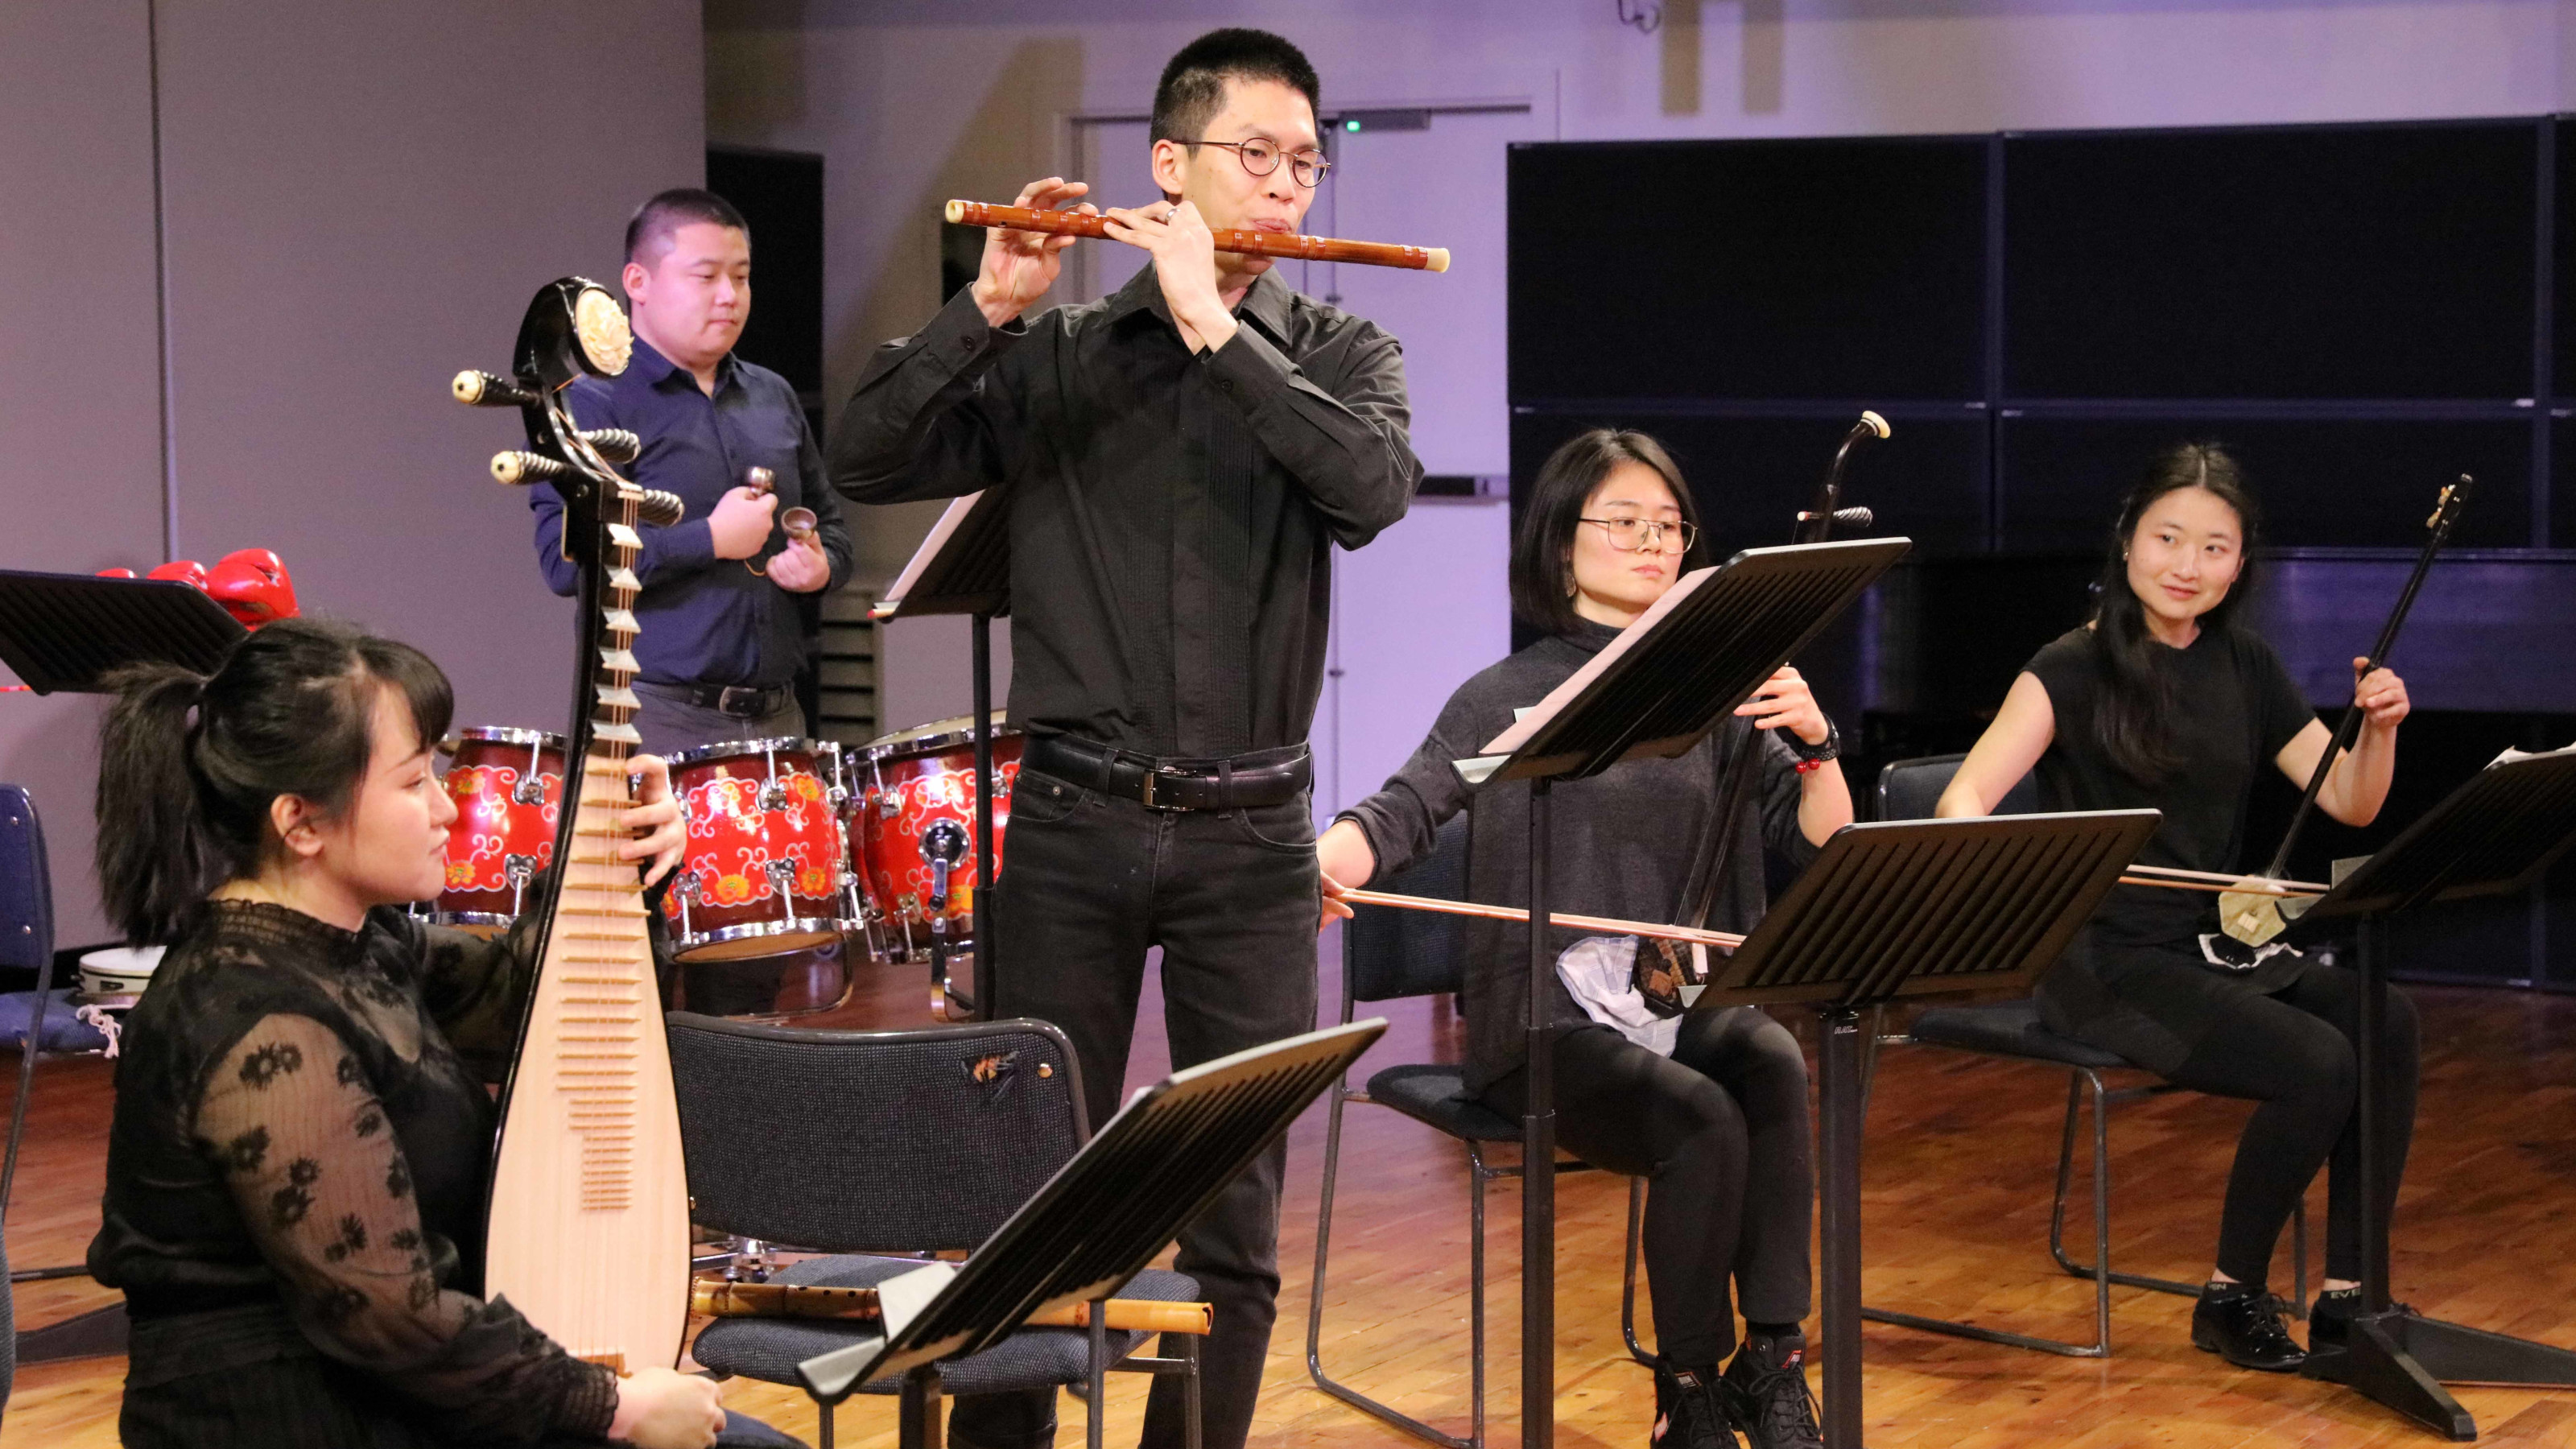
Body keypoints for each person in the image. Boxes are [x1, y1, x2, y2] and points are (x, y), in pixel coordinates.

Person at [830, 29, 1419, 1449]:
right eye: (1256, 157)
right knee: (1025, 1189)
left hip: (1254, 837)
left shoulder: (1341, 349)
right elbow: (863, 457)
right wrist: (986, 306)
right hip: (1078, 823)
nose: (1288, 186)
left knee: (1233, 1209)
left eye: (1305, 161)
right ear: (1169, 167)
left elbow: (1372, 489)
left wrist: (1219, 330)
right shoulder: (1064, 356)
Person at [82, 617, 782, 1449]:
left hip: (393, 1392)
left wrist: (623, 862)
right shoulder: (255, 1020)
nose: (449, 810)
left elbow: (530, 1003)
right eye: (414, 783)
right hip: (295, 1416)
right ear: (299, 822)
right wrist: (616, 1406)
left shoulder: (362, 942)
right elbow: (384, 1314)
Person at [1319, 431, 1846, 1449]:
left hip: (1676, 1006)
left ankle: (1770, 1361)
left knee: (1771, 1059)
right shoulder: (1507, 693)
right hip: (1545, 1030)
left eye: (1668, 526)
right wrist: (1324, 861)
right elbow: (1408, 807)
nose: (1652, 544)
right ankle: (1683, 1388)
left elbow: (1817, 836)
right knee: (1700, 1117)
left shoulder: (1719, 698)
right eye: (1623, 523)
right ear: (1562, 545)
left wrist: (1815, 742)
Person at [1935, 443, 2417, 1372]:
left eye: (2212, 547)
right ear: (2126, 542)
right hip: (2099, 958)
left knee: (2381, 1019)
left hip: (2210, 944)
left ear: (2239, 564)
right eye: (2167, 537)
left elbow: (2350, 800)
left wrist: (2381, 730)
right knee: (2315, 1062)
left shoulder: (2245, 666)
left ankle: (2350, 1294)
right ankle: (2229, 1296)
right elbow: (1963, 804)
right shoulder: (2065, 669)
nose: (2185, 565)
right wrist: (2029, 881)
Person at [532, 187, 856, 1016]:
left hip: (770, 719)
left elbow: (832, 523)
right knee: (631, 969)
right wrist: (707, 540)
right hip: (652, 719)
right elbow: (566, 561)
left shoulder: (772, 396)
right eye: (705, 274)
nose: (728, 296)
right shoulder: (592, 403)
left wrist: (818, 564)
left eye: (741, 277)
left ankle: (725, 1144)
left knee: (748, 976)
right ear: (636, 283)